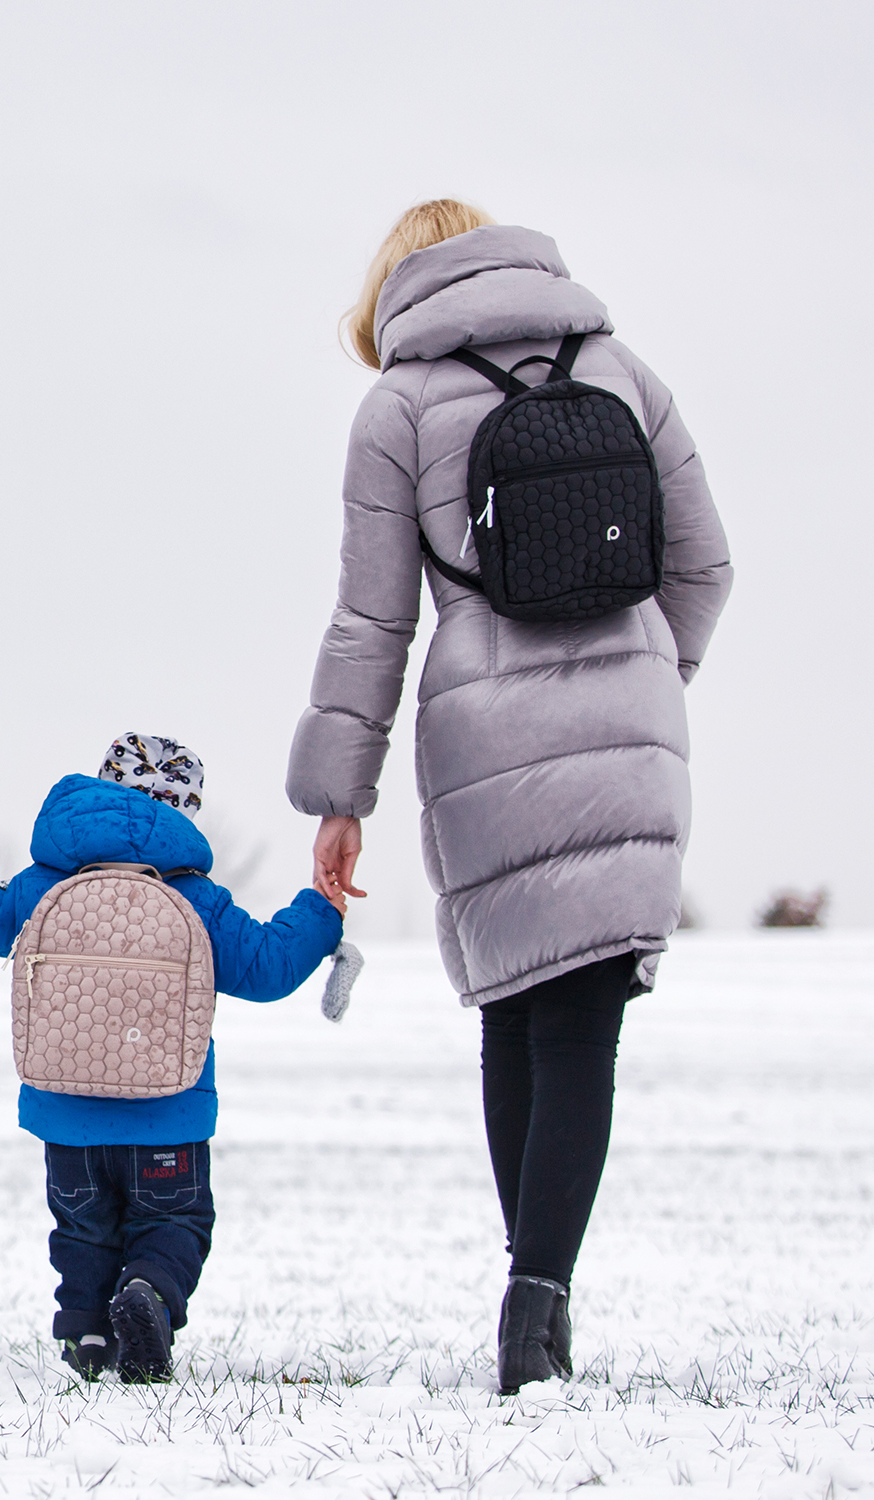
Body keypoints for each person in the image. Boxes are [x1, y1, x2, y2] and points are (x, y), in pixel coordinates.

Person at [286, 202, 732, 1393]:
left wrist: (341, 793)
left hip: (483, 728)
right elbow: (706, 564)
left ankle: (528, 1304)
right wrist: (644, 675)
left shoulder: (400, 406)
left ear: (396, 291)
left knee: (514, 1010)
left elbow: (373, 616)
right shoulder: (625, 371)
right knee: (587, 1020)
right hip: (634, 723)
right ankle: (539, 1302)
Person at [0, 734, 344, 1381]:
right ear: (183, 814)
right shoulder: (194, 897)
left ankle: (86, 1336)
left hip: (65, 1115)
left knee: (83, 1233)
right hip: (167, 1112)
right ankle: (147, 1290)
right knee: (175, 1222)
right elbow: (269, 966)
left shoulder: (45, 883)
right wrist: (321, 909)